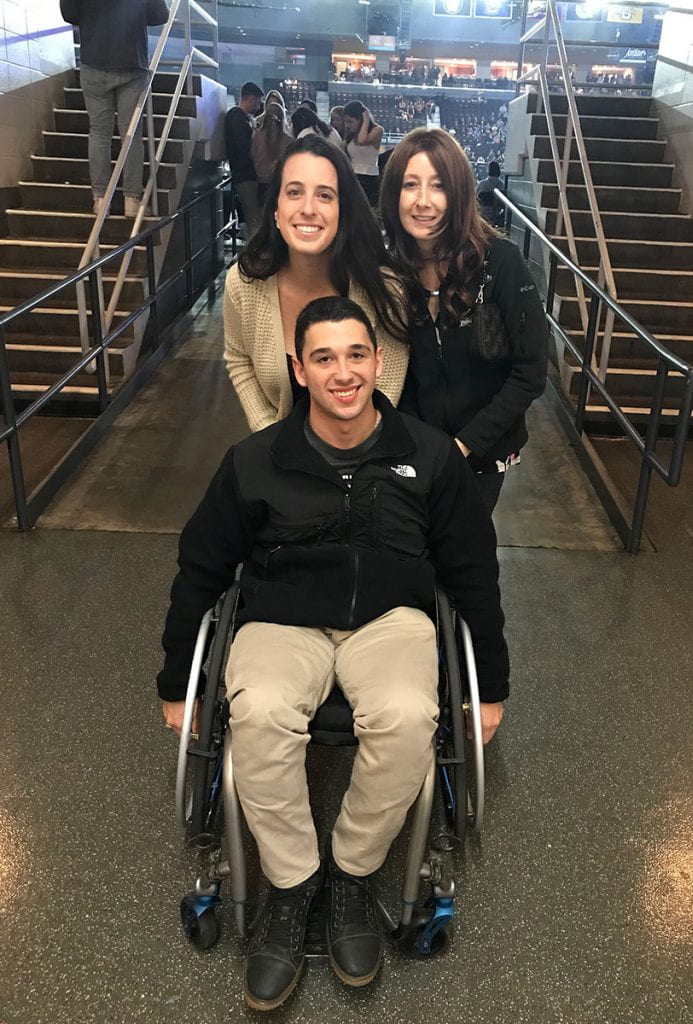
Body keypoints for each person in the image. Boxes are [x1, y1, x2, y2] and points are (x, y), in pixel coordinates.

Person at [158, 294, 508, 1011]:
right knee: (256, 716)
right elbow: (200, 569)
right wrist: (175, 684)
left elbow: (473, 572)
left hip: (391, 620)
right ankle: (291, 884)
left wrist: (490, 686)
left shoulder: (429, 455)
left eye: (355, 355)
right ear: (300, 369)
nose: (342, 372)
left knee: (412, 716)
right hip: (282, 620)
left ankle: (351, 873)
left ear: (378, 362)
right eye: (323, 358)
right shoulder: (255, 461)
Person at [380, 128, 549, 512]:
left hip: (484, 452)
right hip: (415, 450)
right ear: (394, 195)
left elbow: (530, 372)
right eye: (410, 185)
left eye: (438, 186)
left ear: (458, 194)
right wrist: (419, 445)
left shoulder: (501, 262)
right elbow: (392, 372)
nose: (423, 201)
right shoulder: (390, 273)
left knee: (462, 556)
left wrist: (463, 445)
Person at [224, 134, 409, 433]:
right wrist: (269, 437)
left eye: (325, 195)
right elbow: (238, 358)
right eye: (295, 192)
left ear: (342, 211)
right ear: (276, 210)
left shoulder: (384, 289)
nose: (308, 208)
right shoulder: (245, 283)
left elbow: (384, 392)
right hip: (277, 455)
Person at [59, 0, 169, 218]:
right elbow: (160, 15)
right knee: (130, 134)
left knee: (99, 132)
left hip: (94, 62)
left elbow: (69, 13)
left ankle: (101, 200)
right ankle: (131, 200)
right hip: (131, 61)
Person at [224, 81, 264, 239]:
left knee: (253, 215)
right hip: (245, 175)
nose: (258, 107)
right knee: (254, 216)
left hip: (246, 174)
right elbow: (244, 146)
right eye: (258, 102)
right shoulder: (237, 117)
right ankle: (257, 253)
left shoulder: (241, 118)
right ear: (251, 99)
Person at [251, 96, 293, 206]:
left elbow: (253, 158)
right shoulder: (289, 141)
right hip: (280, 186)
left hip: (262, 185)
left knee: (263, 218)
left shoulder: (257, 137)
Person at [343, 101, 383, 207]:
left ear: (360, 119)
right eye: (346, 122)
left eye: (350, 122)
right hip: (352, 175)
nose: (347, 125)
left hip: (368, 177)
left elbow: (362, 141)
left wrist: (366, 120)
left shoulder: (377, 130)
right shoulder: (351, 135)